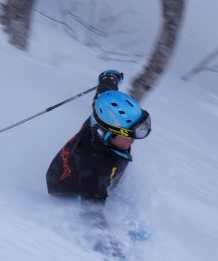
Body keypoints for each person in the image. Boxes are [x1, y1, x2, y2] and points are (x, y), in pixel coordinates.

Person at [46, 69, 151, 203]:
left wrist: (111, 77)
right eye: (127, 137)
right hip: (64, 191)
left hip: (68, 167)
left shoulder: (100, 115)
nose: (132, 142)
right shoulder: (97, 170)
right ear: (106, 134)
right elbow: (92, 212)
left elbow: (105, 88)